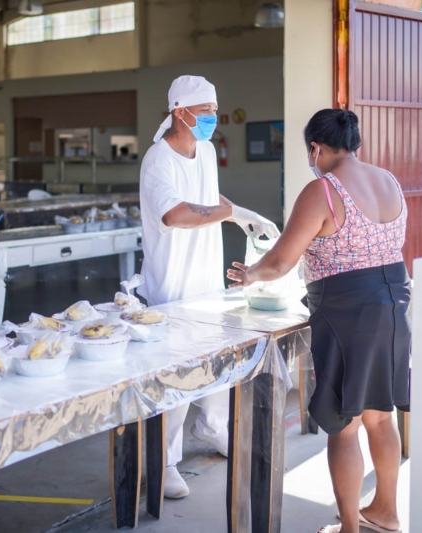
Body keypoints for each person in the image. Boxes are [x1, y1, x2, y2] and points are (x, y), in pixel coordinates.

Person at [227, 109, 410, 533]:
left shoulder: (323, 190)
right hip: (395, 305)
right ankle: (386, 510)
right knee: (381, 416)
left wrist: (249, 275)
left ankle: (349, 527)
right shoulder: (389, 181)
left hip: (348, 314)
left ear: (316, 148)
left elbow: (280, 261)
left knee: (343, 427)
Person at [139, 75, 280, 499]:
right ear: (179, 112)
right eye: (205, 112)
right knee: (177, 380)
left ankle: (213, 427)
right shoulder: (157, 160)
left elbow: (211, 202)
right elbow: (176, 215)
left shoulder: (206, 151)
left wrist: (240, 213)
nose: (213, 119)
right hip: (172, 284)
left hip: (205, 279)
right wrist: (228, 214)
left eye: (215, 111)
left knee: (219, 363)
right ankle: (165, 462)